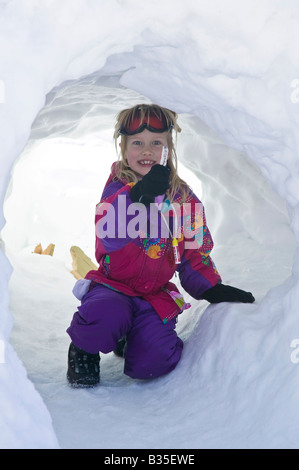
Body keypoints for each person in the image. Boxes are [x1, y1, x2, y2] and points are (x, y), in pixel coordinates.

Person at [66, 103, 255, 387]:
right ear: (123, 148)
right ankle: (84, 348)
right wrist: (139, 195)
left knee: (154, 362)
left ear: (169, 149)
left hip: (152, 295)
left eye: (156, 143)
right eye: (137, 143)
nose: (146, 151)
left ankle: (130, 335)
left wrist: (211, 287)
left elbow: (194, 251)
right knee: (104, 315)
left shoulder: (182, 199)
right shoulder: (117, 188)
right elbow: (109, 235)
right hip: (112, 287)